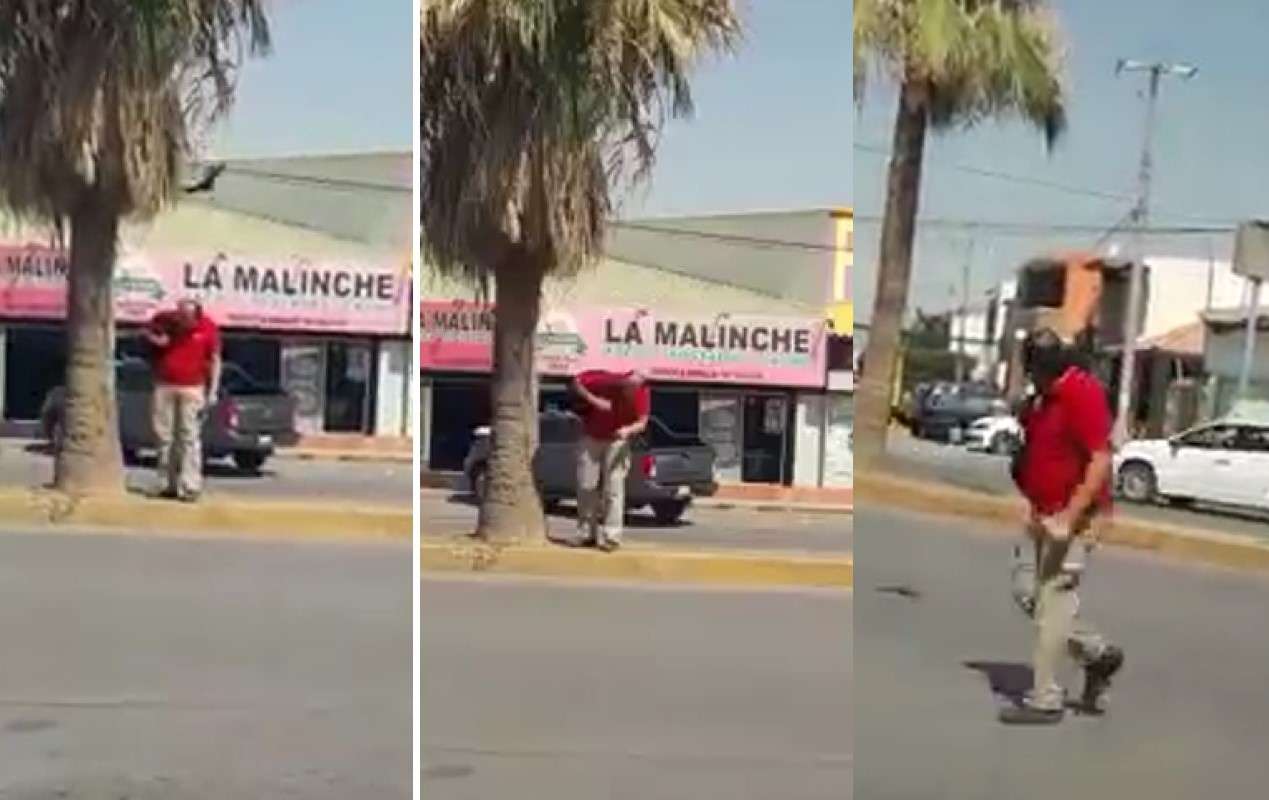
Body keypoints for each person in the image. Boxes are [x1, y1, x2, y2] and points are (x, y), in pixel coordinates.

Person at [1000, 327, 1124, 726]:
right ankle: (1097, 654)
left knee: (1053, 602)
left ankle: (1045, 697)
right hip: (1040, 512)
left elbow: (1100, 458)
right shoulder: (1042, 397)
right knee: (1026, 592)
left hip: (1070, 519)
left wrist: (1069, 517)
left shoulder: (1080, 392)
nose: (1036, 373)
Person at [143, 298, 221, 502]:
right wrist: (156, 340)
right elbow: (148, 334)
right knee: (164, 436)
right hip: (165, 385)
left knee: (188, 437)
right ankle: (166, 483)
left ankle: (189, 486)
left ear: (196, 314)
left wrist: (212, 391)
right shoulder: (165, 321)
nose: (183, 320)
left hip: (193, 387)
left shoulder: (207, 328)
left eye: (187, 316)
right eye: (180, 314)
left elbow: (214, 360)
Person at [571, 370, 650, 552]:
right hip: (591, 437)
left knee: (613, 489)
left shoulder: (643, 392)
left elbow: (642, 421)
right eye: (630, 388)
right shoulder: (605, 380)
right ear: (624, 382)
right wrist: (593, 399)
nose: (632, 392)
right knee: (586, 485)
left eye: (636, 388)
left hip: (617, 439)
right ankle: (586, 534)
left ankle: (611, 537)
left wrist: (628, 431)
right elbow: (576, 381)